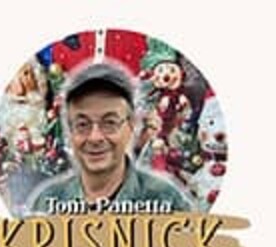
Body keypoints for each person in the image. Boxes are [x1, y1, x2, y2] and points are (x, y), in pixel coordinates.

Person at [27, 62, 191, 213]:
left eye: (109, 123)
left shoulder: (167, 201)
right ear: (70, 131)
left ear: (131, 127)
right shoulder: (47, 204)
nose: (95, 137)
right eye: (82, 124)